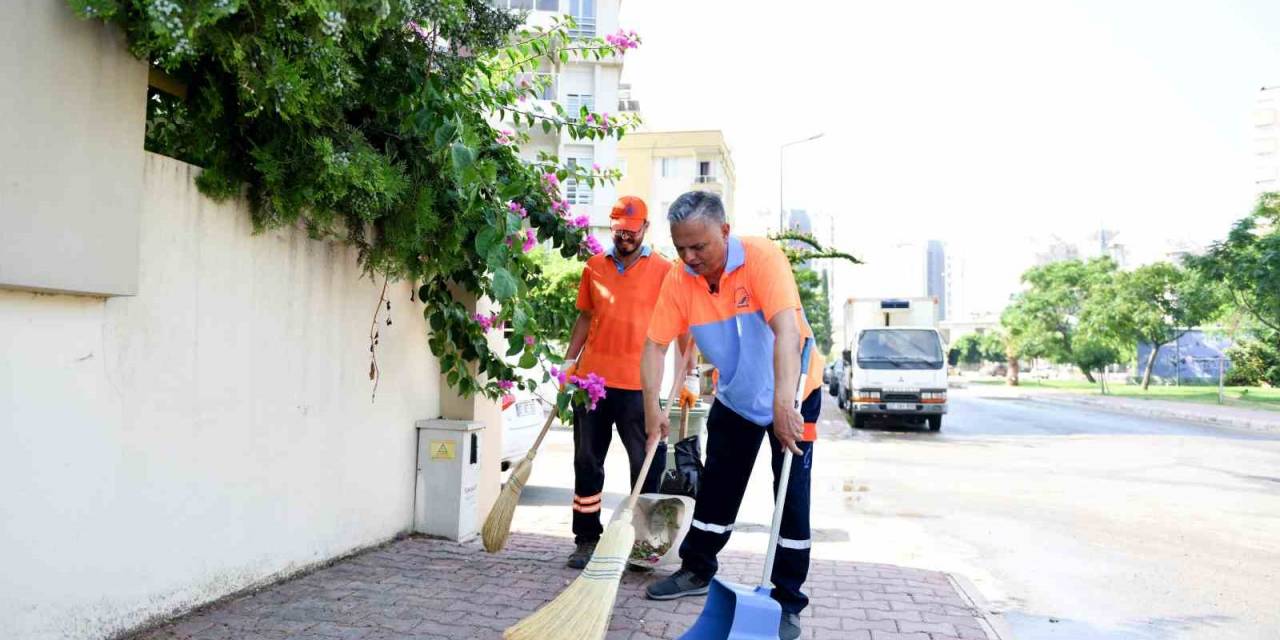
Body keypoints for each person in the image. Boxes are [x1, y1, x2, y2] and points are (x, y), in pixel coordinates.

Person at [638, 191, 824, 640]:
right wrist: (652, 411)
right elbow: (655, 346)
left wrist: (783, 406)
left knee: (790, 499)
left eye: (698, 246)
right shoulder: (681, 279)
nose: (689, 257)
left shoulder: (762, 258)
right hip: (736, 397)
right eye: (681, 247)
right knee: (718, 487)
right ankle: (697, 569)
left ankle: (787, 599)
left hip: (794, 391)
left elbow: (785, 332)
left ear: (724, 231)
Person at [562, 195, 677, 569]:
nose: (624, 237)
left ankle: (641, 544)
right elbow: (584, 318)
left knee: (645, 464)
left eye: (631, 230)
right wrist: (568, 362)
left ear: (645, 228)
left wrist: (687, 375)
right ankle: (586, 538)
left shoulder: (664, 270)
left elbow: (681, 324)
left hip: (639, 386)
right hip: (591, 381)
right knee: (586, 461)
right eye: (618, 231)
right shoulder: (594, 266)